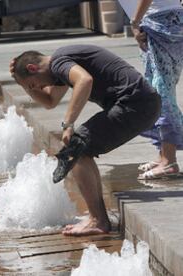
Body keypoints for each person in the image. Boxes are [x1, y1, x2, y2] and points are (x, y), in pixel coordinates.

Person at [10, 45, 161, 236]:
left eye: (33, 84)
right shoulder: (61, 66)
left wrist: (68, 124)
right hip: (141, 103)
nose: (38, 88)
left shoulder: (59, 62)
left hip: (135, 104)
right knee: (80, 149)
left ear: (33, 68)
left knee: (76, 148)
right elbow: (49, 101)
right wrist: (23, 83)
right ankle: (97, 218)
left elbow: (84, 80)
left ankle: (98, 220)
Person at [130, 0, 183, 179]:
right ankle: (163, 157)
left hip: (159, 23)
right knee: (159, 88)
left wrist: (135, 22)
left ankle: (169, 161)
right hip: (172, 20)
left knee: (161, 93)